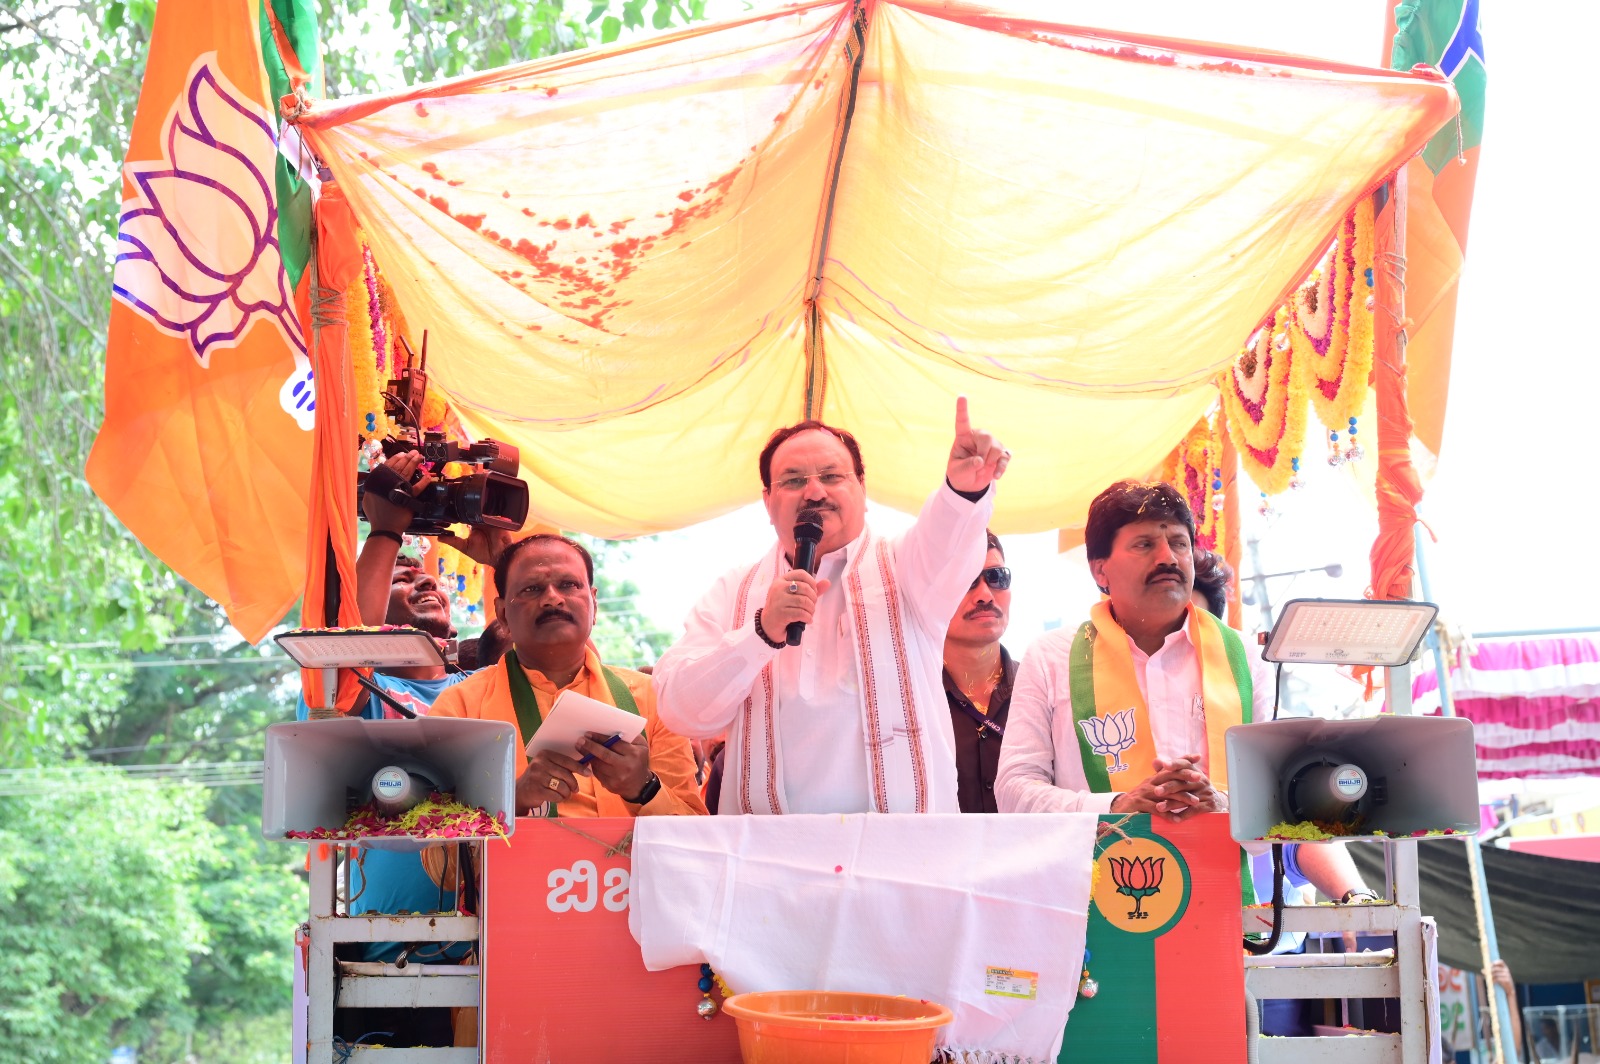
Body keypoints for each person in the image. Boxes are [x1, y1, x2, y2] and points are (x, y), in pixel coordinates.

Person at [993, 481, 1372, 908]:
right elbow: (1013, 788)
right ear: (1100, 570)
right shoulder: (1051, 658)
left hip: (1224, 910)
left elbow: (1284, 796)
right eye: (1144, 544)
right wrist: (1118, 805)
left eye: (1178, 542)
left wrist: (1224, 804)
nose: (1168, 558)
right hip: (1088, 912)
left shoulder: (1245, 658)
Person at [653, 397, 1010, 814]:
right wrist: (760, 634)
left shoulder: (905, 566)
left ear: (862, 488)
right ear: (768, 503)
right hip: (774, 860)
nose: (814, 491)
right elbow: (681, 711)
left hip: (898, 858)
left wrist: (964, 491)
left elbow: (947, 541)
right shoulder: (735, 589)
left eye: (831, 475)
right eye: (792, 480)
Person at [428, 534, 705, 818]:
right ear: (502, 614)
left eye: (569, 585)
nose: (552, 598)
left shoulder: (653, 699)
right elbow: (433, 843)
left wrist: (644, 789)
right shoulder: (460, 707)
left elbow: (696, 839)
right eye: (532, 588)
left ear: (593, 604)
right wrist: (512, 799)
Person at [941, 531, 1016, 813]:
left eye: (997, 577)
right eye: (966, 580)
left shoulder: (1043, 690)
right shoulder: (911, 697)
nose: (985, 595)